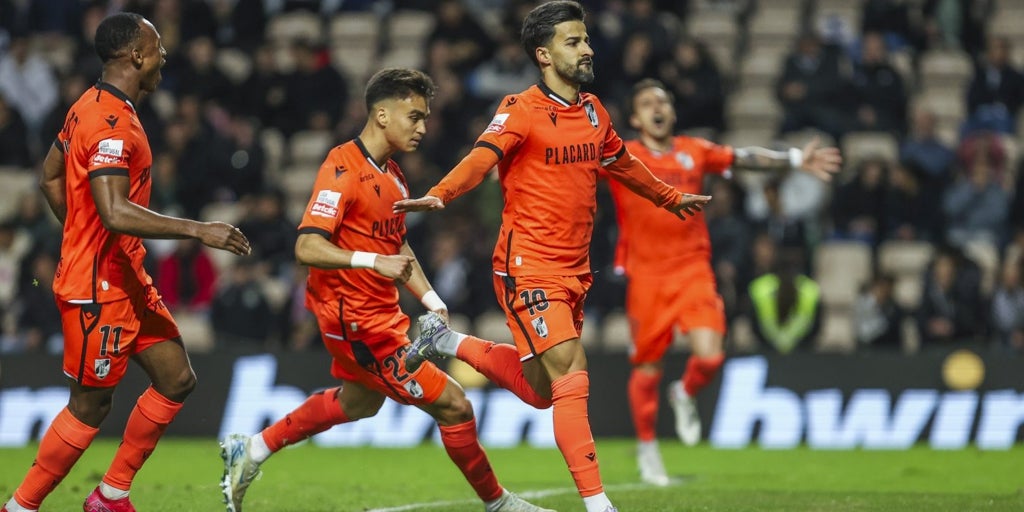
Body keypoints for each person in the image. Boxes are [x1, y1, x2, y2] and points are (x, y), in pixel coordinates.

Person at [395, 4, 711, 511]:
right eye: (573, 41)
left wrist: (669, 197)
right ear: (543, 55)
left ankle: (444, 338)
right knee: (571, 372)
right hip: (528, 265)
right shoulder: (520, 108)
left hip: (575, 269)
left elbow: (622, 162)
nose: (586, 49)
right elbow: (482, 158)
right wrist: (440, 193)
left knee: (543, 391)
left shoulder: (593, 110)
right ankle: (598, 503)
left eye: (585, 40)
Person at [219, 68, 551, 512]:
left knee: (359, 403)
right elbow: (307, 246)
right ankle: (499, 504)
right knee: (455, 405)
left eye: (426, 118)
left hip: (381, 316)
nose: (423, 128)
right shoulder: (342, 168)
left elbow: (396, 244)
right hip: (356, 323)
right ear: (380, 114)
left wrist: (432, 300)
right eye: (414, 117)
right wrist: (371, 261)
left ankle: (254, 448)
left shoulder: (393, 175)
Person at [2, 13, 251, 512]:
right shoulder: (110, 122)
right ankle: (21, 507)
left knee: (177, 378)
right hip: (97, 288)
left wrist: (77, 228)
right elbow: (114, 211)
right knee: (90, 406)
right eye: (157, 47)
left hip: (125, 277)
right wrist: (198, 229)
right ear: (136, 55)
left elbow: (50, 175)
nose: (164, 57)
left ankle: (110, 495)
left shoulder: (87, 106)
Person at [607, 79, 840, 485]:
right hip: (646, 276)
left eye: (663, 100)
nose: (657, 107)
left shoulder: (693, 151)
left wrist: (795, 158)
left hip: (693, 268)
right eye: (647, 103)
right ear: (634, 117)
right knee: (646, 368)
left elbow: (745, 157)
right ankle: (648, 451)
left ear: (673, 113)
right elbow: (566, 165)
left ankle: (685, 394)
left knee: (712, 356)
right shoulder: (622, 156)